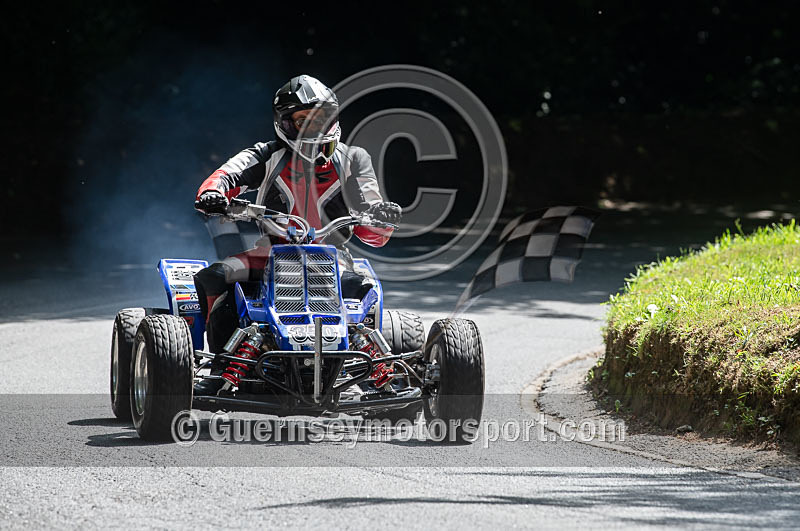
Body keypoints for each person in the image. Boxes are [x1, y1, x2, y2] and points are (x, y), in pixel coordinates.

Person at [192, 74, 401, 396]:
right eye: (302, 120)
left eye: (318, 119)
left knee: (363, 290)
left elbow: (374, 224)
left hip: (333, 260)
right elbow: (223, 177)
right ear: (285, 124)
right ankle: (217, 364)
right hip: (268, 255)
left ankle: (367, 369)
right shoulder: (263, 155)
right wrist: (213, 194)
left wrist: (380, 216)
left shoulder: (354, 159)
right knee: (214, 276)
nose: (312, 128)